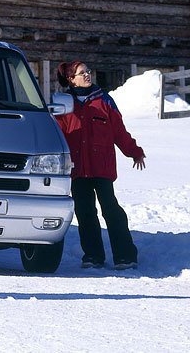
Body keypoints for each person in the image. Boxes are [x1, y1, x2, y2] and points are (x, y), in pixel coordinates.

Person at [54, 60, 146, 270]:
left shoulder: (104, 101)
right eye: (81, 73)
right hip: (77, 169)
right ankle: (93, 256)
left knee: (111, 210)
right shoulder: (64, 104)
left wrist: (134, 151)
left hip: (101, 167)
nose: (87, 75)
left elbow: (119, 132)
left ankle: (125, 255)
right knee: (85, 213)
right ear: (71, 79)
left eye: (88, 72)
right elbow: (57, 135)